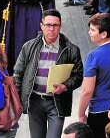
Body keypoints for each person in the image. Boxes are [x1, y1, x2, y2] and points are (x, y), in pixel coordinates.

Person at [13, 9, 83, 138]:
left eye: (55, 25)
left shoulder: (71, 50)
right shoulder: (29, 47)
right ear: (41, 26)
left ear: (60, 26)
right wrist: (17, 100)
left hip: (57, 103)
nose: (51, 29)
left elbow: (78, 76)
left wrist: (65, 86)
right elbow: (18, 74)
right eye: (48, 25)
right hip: (34, 101)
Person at [77, 13, 110, 137]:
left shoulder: (93, 56)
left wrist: (81, 114)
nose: (89, 32)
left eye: (92, 30)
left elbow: (87, 90)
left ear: (104, 34)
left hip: (99, 110)